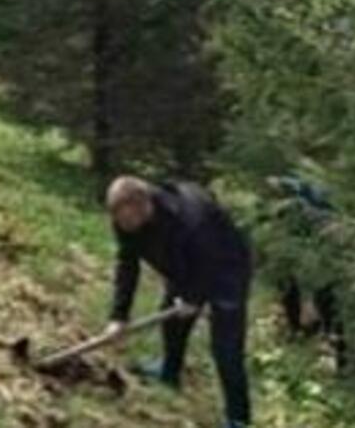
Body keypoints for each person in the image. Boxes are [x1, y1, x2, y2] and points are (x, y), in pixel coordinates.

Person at [103, 176, 253, 428]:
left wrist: (194, 298)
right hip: (182, 266)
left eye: (128, 221)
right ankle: (169, 373)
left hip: (227, 269)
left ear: (144, 206)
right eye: (120, 222)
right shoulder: (125, 220)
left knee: (226, 348)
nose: (124, 227)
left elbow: (211, 260)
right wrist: (119, 316)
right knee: (172, 323)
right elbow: (127, 265)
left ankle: (238, 418)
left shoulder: (192, 217)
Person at [265, 176, 346, 369]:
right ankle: (313, 334)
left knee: (324, 297)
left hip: (323, 248)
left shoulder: (309, 205)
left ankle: (327, 343)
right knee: (316, 295)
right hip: (318, 246)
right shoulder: (307, 201)